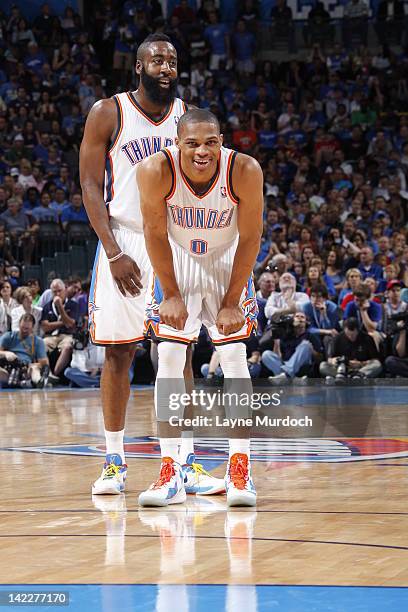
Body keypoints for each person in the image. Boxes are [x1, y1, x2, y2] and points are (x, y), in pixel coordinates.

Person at [80, 34, 208, 497]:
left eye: (172, 59)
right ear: (138, 67)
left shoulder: (185, 117)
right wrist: (113, 251)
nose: (166, 66)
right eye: (157, 59)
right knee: (119, 352)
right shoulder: (108, 112)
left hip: (173, 242)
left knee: (179, 353)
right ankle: (114, 459)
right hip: (126, 240)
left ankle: (183, 460)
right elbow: (90, 187)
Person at [137, 109, 263, 507]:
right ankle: (170, 470)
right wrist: (171, 293)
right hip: (178, 259)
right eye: (192, 143)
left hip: (228, 260)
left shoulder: (244, 169)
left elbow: (251, 237)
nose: (202, 151)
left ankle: (239, 469)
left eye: (210, 142)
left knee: (234, 356)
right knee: (170, 356)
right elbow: (154, 234)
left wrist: (231, 300)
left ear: (221, 142)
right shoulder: (155, 170)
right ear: (177, 144)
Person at [262, 311, 322, 384]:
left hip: (303, 364)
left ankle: (286, 376)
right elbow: (278, 356)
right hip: (286, 363)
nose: (299, 318)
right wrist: (276, 342)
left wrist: (312, 351)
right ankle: (291, 379)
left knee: (305, 345)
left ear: (306, 322)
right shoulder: (286, 335)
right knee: (266, 354)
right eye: (297, 316)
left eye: (302, 317)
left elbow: (320, 358)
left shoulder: (311, 336)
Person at [40, 278, 79, 382]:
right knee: (41, 344)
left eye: (59, 290)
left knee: (67, 346)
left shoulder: (73, 305)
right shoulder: (47, 306)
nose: (57, 293)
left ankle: (55, 374)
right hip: (50, 337)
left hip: (67, 335)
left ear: (65, 290)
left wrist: (60, 308)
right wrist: (63, 322)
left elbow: (71, 325)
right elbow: (44, 327)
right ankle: (48, 373)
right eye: (54, 291)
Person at [0, 313, 49, 388]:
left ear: (32, 328)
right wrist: (5, 353)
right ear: (19, 324)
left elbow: (44, 363)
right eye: (22, 327)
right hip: (7, 368)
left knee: (34, 369)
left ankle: (38, 381)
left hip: (27, 369)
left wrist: (35, 365)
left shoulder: (38, 341)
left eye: (27, 329)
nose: (24, 330)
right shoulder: (9, 336)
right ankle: (22, 383)